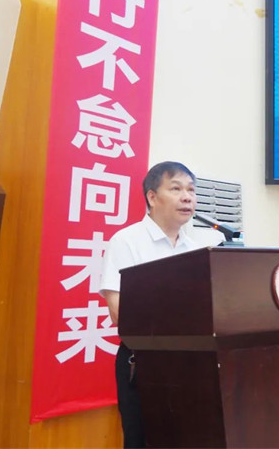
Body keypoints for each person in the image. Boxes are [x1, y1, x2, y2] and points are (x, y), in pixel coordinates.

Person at [99, 161, 220, 448]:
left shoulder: (196, 249)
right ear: (152, 197)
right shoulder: (127, 241)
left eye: (191, 190)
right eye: (176, 189)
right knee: (144, 441)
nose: (187, 197)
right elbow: (119, 313)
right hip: (144, 363)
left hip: (192, 363)